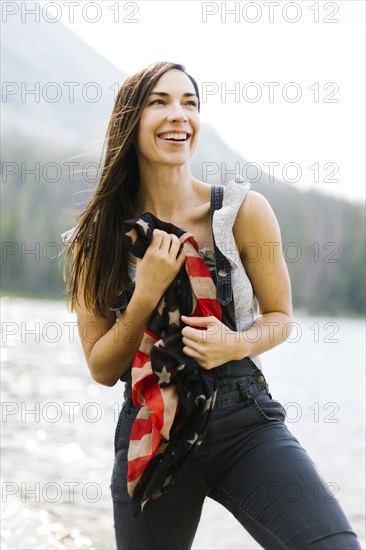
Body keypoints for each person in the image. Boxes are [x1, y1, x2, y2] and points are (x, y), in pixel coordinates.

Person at [62, 62, 361, 550]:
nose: (179, 115)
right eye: (159, 102)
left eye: (190, 103)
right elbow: (101, 366)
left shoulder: (242, 211)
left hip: (245, 421)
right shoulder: (98, 239)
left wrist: (235, 343)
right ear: (129, 120)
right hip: (151, 430)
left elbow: (280, 317)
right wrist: (145, 295)